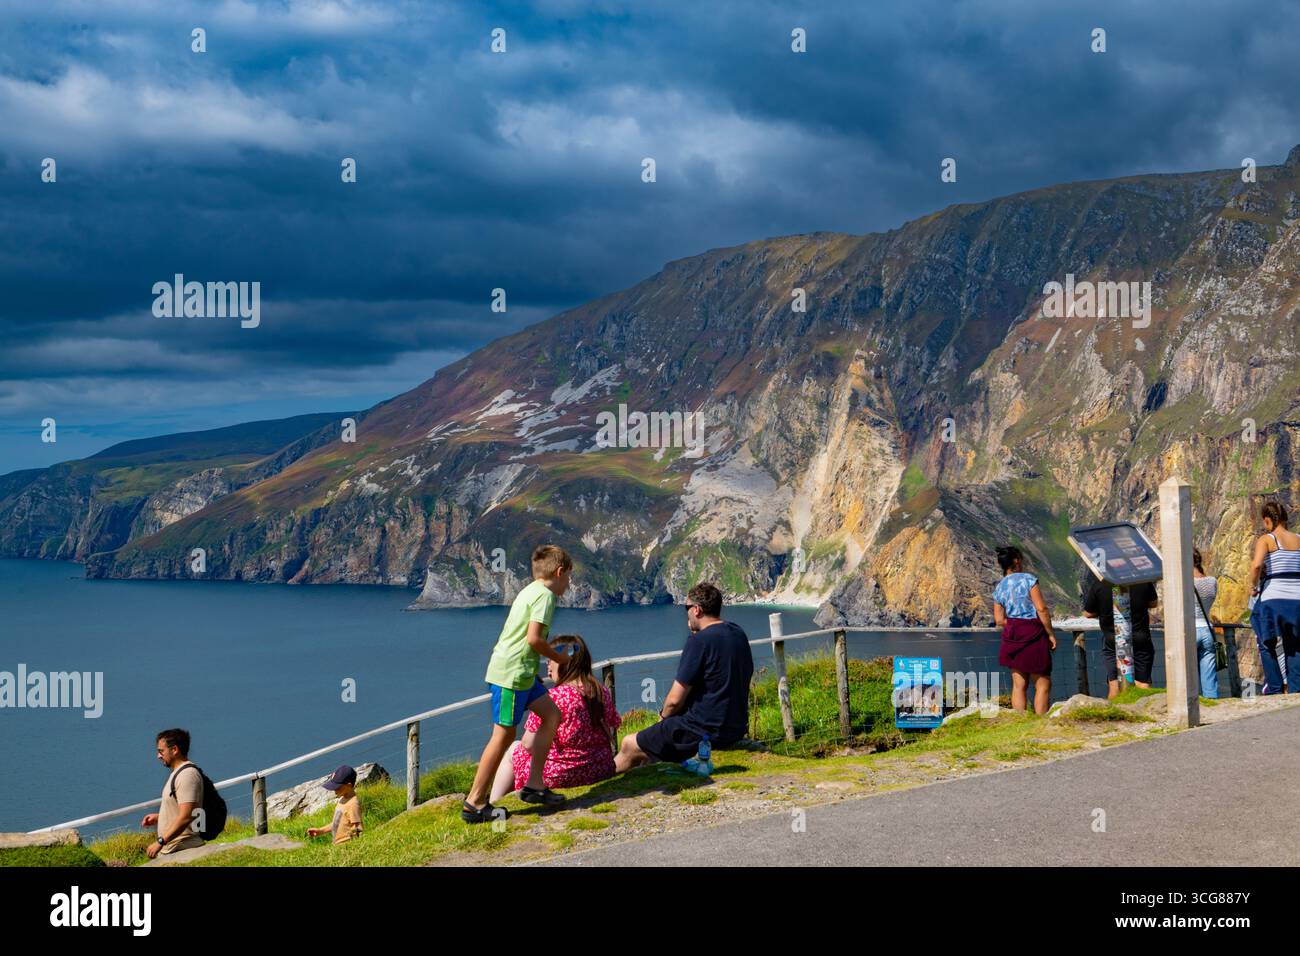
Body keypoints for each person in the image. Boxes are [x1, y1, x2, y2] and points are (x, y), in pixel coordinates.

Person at [463, 545, 571, 823]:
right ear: (559, 572)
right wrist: (558, 657)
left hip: (523, 674)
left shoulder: (530, 589)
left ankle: (535, 786)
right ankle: (474, 803)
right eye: (568, 577)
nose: (568, 583)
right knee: (503, 736)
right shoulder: (545, 596)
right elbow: (534, 639)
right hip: (511, 676)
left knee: (552, 714)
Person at [615, 582, 753, 771]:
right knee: (651, 743)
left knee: (629, 744)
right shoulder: (738, 633)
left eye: (686, 608)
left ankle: (605, 783)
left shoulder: (699, 641)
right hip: (734, 728)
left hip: (702, 731)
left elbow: (674, 700)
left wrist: (662, 719)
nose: (686, 613)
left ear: (697, 610)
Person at [489, 634, 621, 803]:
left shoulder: (553, 697)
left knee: (514, 748)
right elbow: (614, 723)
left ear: (564, 661)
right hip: (600, 768)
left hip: (562, 775)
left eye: (550, 659)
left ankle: (494, 803)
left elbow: (528, 744)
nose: (547, 666)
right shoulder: (600, 691)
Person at [992, 546, 1056, 714]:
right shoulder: (1028, 580)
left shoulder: (999, 588)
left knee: (1019, 685)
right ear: (1016, 561)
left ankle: (1020, 721)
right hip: (1033, 633)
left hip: (1012, 635)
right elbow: (1041, 608)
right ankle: (1041, 724)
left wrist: (1014, 623)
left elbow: (999, 620)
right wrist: (1050, 634)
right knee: (1042, 683)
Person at [1081, 567, 1159, 698]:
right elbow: (1153, 603)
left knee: (1115, 683)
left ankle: (1116, 715)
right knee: (1143, 682)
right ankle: (1144, 713)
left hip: (1113, 639)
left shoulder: (1100, 585)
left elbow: (1088, 613)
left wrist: (1102, 610)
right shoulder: (1142, 581)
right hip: (1140, 637)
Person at [1249, 501, 1300, 694]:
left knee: (1265, 640)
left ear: (1268, 520)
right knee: (1295, 644)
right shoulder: (1298, 538)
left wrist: (1252, 586)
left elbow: (1256, 566)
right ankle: (1296, 690)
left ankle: (1275, 688)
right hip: (1297, 599)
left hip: (1274, 598)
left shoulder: (1267, 539)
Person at [140, 728, 205, 859]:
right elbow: (184, 810)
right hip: (175, 848)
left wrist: (160, 841)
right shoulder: (178, 773)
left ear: (174, 750)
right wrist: (160, 817)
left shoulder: (187, 775)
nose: (158, 756)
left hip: (182, 849)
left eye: (161, 751)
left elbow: (186, 816)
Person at [307, 764, 364, 844]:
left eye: (338, 787)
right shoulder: (342, 799)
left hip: (347, 845)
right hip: (337, 845)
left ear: (349, 785)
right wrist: (321, 831)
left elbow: (358, 828)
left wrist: (357, 847)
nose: (334, 790)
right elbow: (337, 823)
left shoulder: (353, 804)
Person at [1192, 548, 1220, 699]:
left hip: (1190, 630)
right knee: (1209, 673)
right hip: (1207, 629)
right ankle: (1212, 701)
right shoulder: (1212, 581)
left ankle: (1190, 702)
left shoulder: (1184, 583)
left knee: (1187, 673)